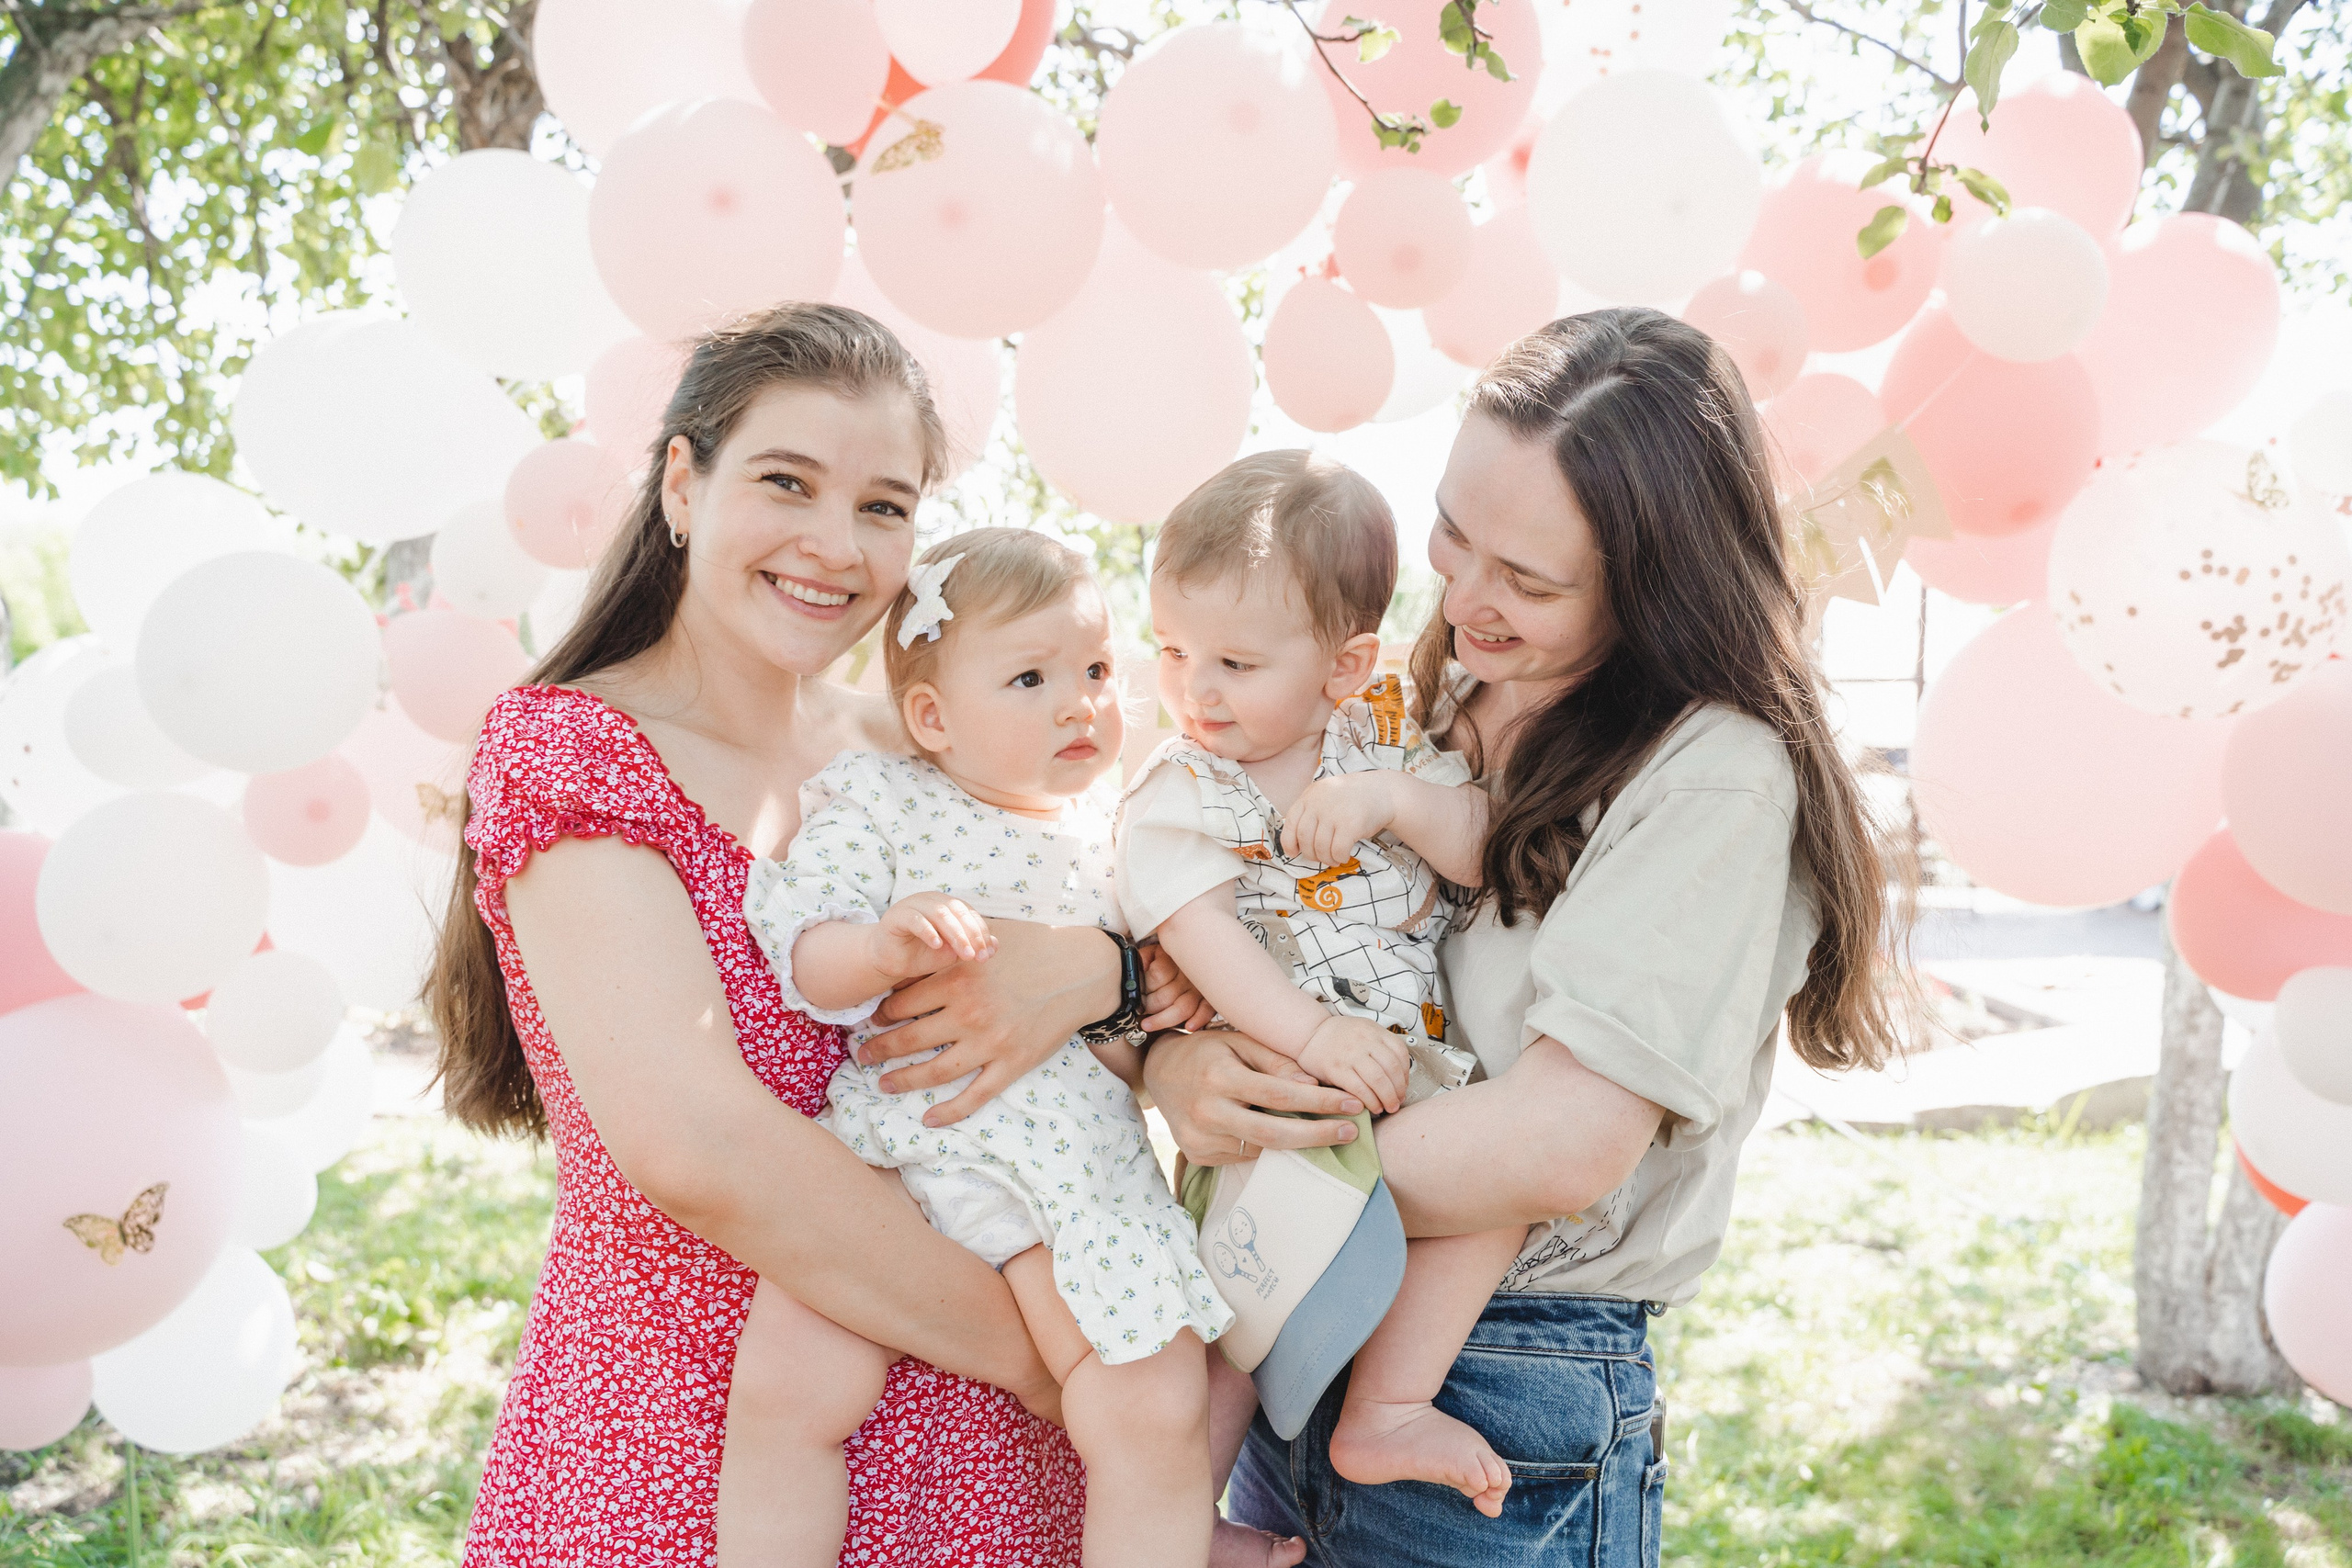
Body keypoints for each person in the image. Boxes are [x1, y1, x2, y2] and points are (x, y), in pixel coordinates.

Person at [1142, 308, 1909, 1566]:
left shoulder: (1713, 776)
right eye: (1454, 532)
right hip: (1304, 1333)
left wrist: (1260, 1166)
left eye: (1529, 580)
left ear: (1653, 584)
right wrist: (1183, 1068)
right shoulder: (1436, 693)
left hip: (1497, 1376)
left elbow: (1558, 1144)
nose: (1462, 597)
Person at [426, 303, 1186, 1566]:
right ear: (684, 484)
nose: (835, 546)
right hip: (692, 1453)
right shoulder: (576, 751)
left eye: (884, 506)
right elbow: (702, 1146)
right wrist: (1058, 1361)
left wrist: (1093, 974)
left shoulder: (912, 747)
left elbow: (1114, 925)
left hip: (1001, 1487)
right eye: (787, 482)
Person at [729, 528, 1230, 1568]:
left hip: (1065, 1177)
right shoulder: (882, 801)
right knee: (786, 1388)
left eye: (1097, 670)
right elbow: (802, 949)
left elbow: (1152, 1005)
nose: (1079, 703)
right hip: (897, 1153)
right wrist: (876, 947)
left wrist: (1153, 994)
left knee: (1151, 1409)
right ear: (932, 718)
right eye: (1030, 678)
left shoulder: (1128, 835)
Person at [1115, 452, 1520, 1517]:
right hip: (1275, 1087)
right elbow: (1195, 927)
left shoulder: (1382, 739)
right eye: (1173, 650)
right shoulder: (1184, 782)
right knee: (1237, 1326)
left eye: (1235, 662)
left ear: (1345, 666)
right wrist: (1309, 1038)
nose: (1194, 689)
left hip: (1401, 1069)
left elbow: (1483, 849)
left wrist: (1394, 801)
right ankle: (1181, 1526)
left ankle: (1388, 1409)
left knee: (1500, 1196)